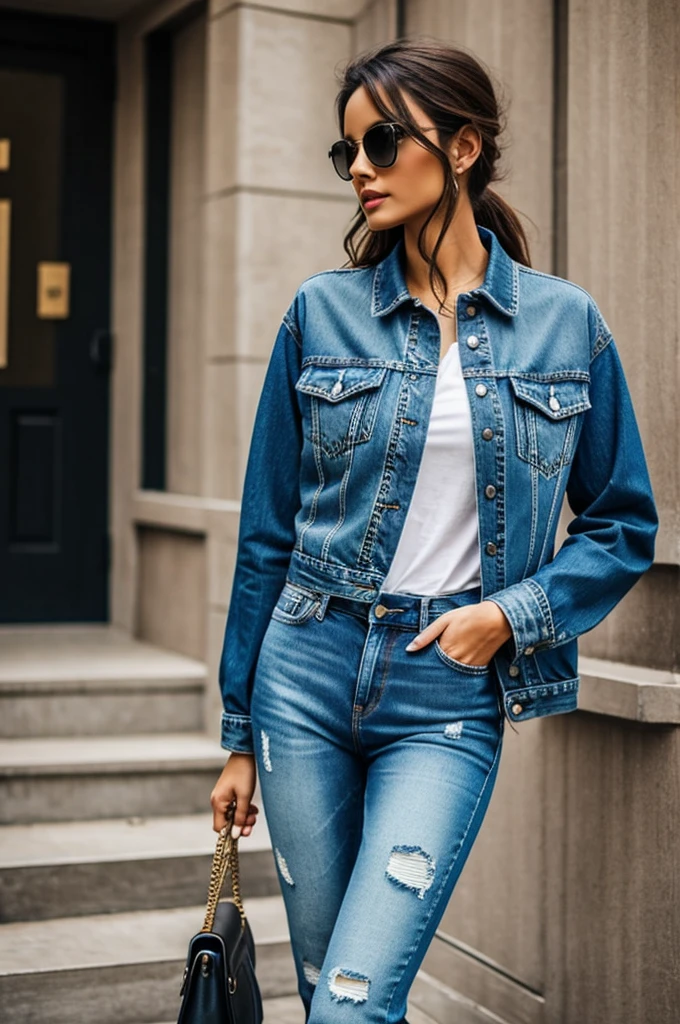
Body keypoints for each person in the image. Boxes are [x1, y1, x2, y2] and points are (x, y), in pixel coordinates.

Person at [210, 38, 658, 1024]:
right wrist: (237, 733)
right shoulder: (317, 315)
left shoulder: (562, 326)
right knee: (330, 989)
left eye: (380, 143)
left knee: (350, 1004)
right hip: (302, 673)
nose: (359, 169)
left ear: (460, 148)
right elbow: (263, 536)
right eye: (346, 154)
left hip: (444, 692)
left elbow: (622, 522)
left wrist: (508, 615)